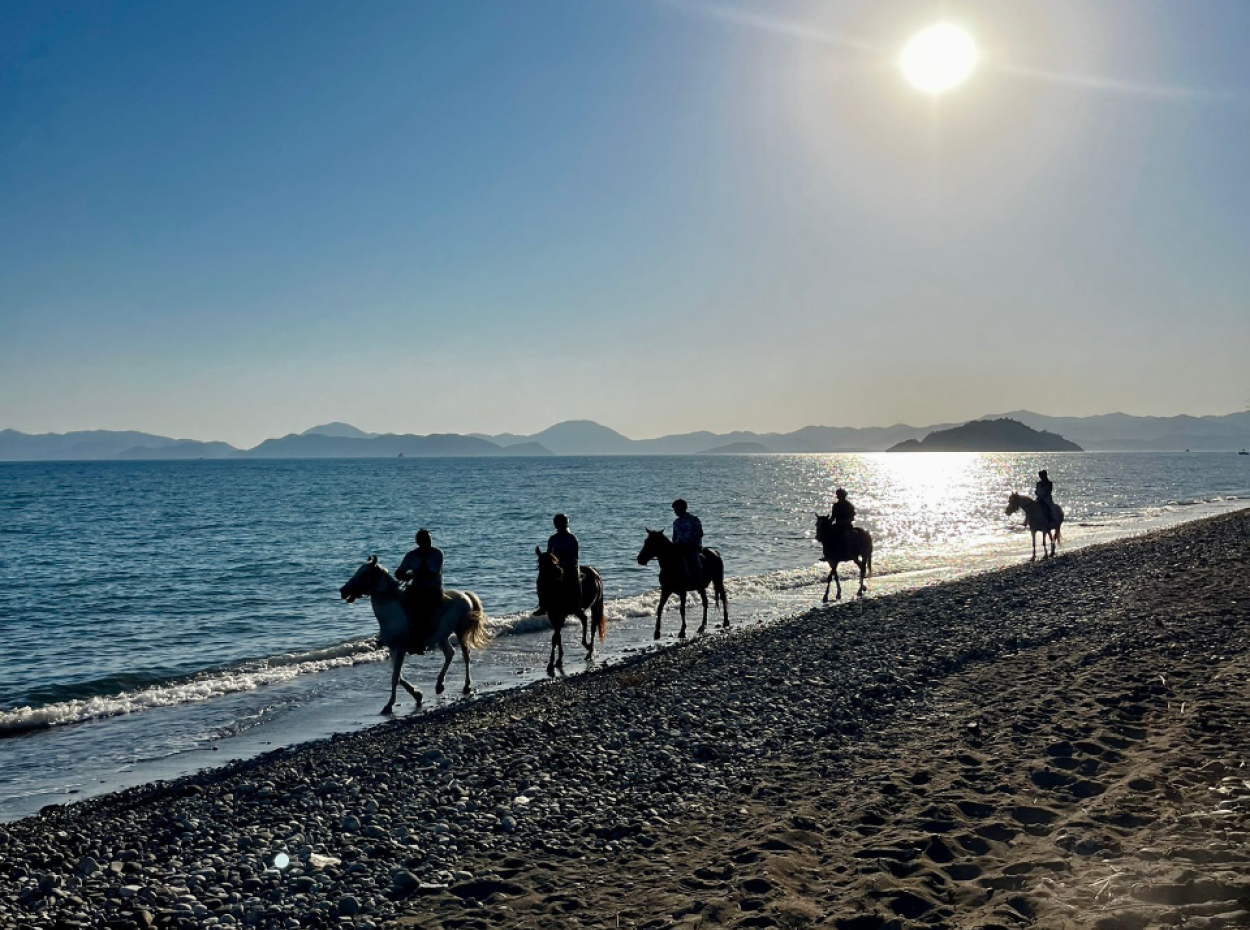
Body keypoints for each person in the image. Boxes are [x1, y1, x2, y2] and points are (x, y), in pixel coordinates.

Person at [395, 529, 444, 655]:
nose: (428, 542)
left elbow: (431, 575)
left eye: (429, 539)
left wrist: (413, 575)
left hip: (432, 588)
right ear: (418, 542)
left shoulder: (437, 554)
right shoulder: (411, 556)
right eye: (425, 540)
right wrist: (402, 575)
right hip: (415, 588)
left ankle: (420, 642)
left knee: (419, 607)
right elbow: (399, 571)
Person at [534, 513, 580, 616]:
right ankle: (543, 605)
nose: (560, 526)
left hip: (570, 566)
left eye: (562, 524)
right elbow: (549, 555)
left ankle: (577, 605)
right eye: (559, 524)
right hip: (556, 568)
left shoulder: (572, 538)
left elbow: (575, 557)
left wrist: (565, 563)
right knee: (541, 581)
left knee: (573, 580)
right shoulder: (553, 539)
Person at [671, 498, 704, 588]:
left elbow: (700, 533)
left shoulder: (694, 520)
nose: (674, 512)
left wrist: (690, 545)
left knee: (694, 558)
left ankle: (699, 581)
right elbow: (674, 537)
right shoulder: (676, 522)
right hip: (680, 546)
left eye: (676, 509)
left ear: (682, 508)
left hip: (693, 546)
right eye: (674, 510)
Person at [830, 488, 856, 557]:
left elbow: (852, 518)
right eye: (837, 495)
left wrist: (843, 522)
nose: (837, 496)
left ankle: (849, 552)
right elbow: (833, 517)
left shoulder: (849, 505)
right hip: (837, 525)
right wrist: (828, 523)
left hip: (847, 526)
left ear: (843, 496)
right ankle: (829, 552)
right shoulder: (835, 506)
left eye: (839, 495)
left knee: (846, 535)